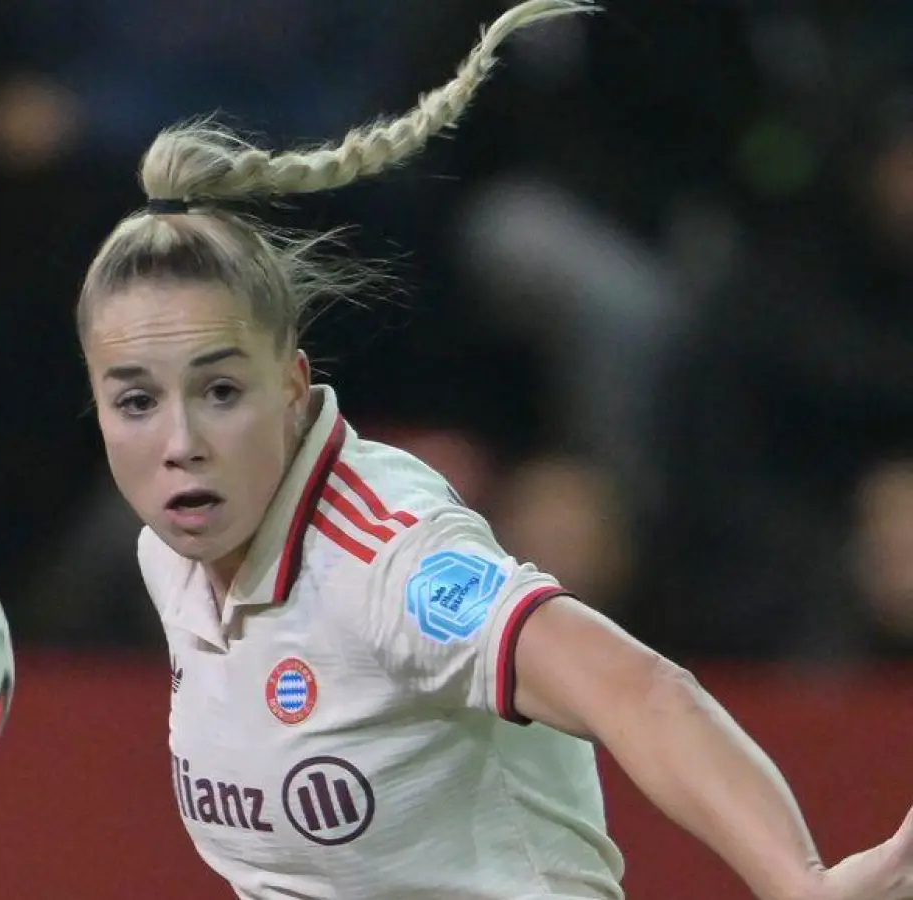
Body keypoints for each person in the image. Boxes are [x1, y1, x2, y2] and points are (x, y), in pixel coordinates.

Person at [72, 1, 913, 897]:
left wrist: (800, 881)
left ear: (291, 383)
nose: (180, 442)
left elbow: (637, 691)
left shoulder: (390, 561)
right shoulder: (170, 557)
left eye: (222, 391)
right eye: (135, 401)